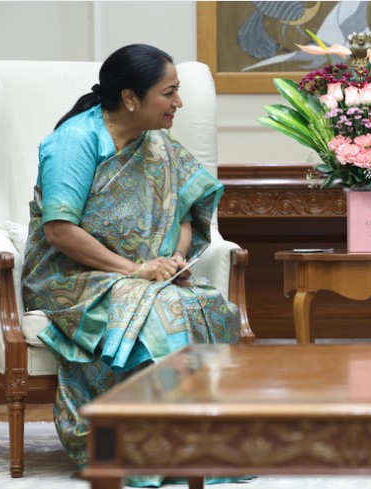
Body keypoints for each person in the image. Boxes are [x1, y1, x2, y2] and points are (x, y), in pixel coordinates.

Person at [21, 44, 245, 487]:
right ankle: (137, 447)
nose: (178, 103)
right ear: (130, 98)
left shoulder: (158, 143)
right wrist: (134, 270)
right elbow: (59, 232)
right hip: (71, 275)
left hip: (146, 272)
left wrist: (177, 257)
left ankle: (196, 444)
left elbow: (182, 213)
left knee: (211, 307)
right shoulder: (75, 141)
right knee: (163, 316)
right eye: (169, 93)